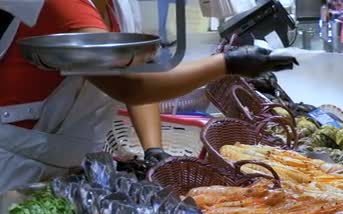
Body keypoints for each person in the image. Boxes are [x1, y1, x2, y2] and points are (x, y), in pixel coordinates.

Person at [0, 0, 297, 193]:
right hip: (19, 160)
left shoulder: (120, 6)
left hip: (66, 157)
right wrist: (228, 64)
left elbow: (140, 69)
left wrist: (153, 150)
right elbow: (129, 85)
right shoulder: (63, 6)